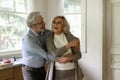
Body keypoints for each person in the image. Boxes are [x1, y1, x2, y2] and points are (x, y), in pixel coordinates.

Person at [45, 16, 84, 80]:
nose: (55, 24)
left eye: (59, 22)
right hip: (56, 71)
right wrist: (69, 45)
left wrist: (69, 58)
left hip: (72, 70)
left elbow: (78, 55)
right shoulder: (49, 38)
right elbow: (54, 53)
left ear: (64, 25)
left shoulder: (71, 37)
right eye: (54, 22)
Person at [22, 11, 55, 80]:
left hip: (41, 69)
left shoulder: (44, 32)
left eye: (43, 21)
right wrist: (61, 59)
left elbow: (56, 34)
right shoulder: (29, 39)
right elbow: (45, 54)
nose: (44, 23)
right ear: (34, 26)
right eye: (41, 22)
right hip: (30, 71)